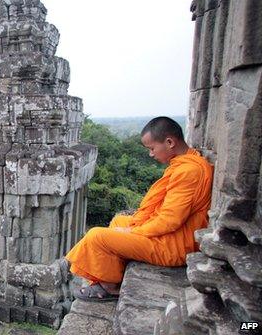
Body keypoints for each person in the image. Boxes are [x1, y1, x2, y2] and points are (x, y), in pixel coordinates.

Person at [62, 116, 214, 301]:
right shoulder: (188, 161)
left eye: (152, 148)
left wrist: (134, 230)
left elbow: (170, 220)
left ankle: (110, 286)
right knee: (119, 220)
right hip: (172, 233)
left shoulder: (189, 171)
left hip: (175, 245)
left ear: (169, 142)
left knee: (96, 236)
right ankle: (114, 270)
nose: (151, 154)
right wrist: (132, 226)